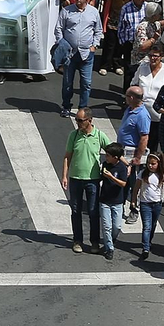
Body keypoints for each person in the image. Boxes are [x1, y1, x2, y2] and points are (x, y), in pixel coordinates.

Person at [62, 108, 104, 254]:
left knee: (93, 212)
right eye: (77, 120)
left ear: (89, 120)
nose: (78, 123)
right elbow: (67, 156)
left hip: (93, 180)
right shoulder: (73, 136)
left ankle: (94, 242)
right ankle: (77, 240)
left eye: (80, 120)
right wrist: (64, 176)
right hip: (75, 179)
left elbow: (113, 151)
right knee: (75, 211)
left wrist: (125, 164)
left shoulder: (99, 135)